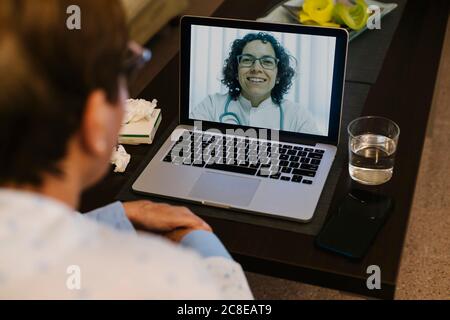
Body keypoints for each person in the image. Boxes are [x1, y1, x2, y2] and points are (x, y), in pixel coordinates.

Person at [0, 0, 252, 299]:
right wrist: (205, 248)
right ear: (94, 122)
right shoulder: (170, 281)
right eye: (126, 68)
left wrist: (115, 216)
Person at [190, 32, 319, 134]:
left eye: (267, 61)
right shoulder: (211, 106)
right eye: (247, 60)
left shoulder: (298, 116)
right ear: (236, 71)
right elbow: (189, 143)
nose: (256, 68)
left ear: (278, 75)